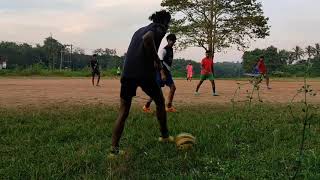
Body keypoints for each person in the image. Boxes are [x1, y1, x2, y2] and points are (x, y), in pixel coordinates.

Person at [110, 10, 174, 157]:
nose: (167, 27)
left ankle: (113, 150)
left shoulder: (139, 30)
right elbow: (148, 38)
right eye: (168, 23)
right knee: (160, 101)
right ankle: (164, 136)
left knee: (123, 110)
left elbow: (135, 47)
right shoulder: (159, 28)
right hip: (144, 74)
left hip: (128, 73)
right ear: (165, 22)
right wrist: (157, 61)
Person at [143, 34, 177, 113]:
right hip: (161, 72)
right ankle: (146, 106)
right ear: (168, 40)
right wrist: (162, 73)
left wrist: (167, 72)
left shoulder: (171, 50)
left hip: (167, 73)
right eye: (170, 40)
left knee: (173, 88)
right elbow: (158, 62)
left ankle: (169, 106)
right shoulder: (163, 50)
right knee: (156, 91)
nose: (172, 42)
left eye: (173, 40)